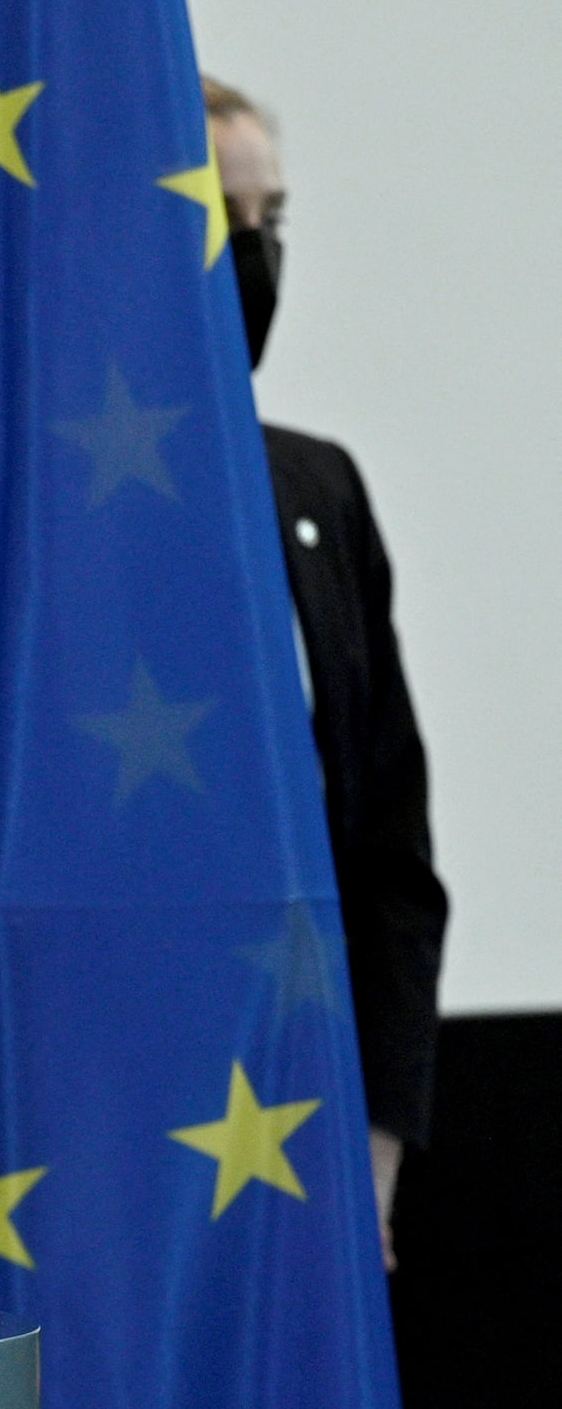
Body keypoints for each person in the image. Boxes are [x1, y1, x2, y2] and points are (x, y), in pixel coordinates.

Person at [205, 77, 448, 1268]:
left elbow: (390, 851)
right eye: (220, 219)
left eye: (274, 223)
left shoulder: (316, 490)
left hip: (294, 1130)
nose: (255, 260)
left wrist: (378, 1143)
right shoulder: (21, 517)